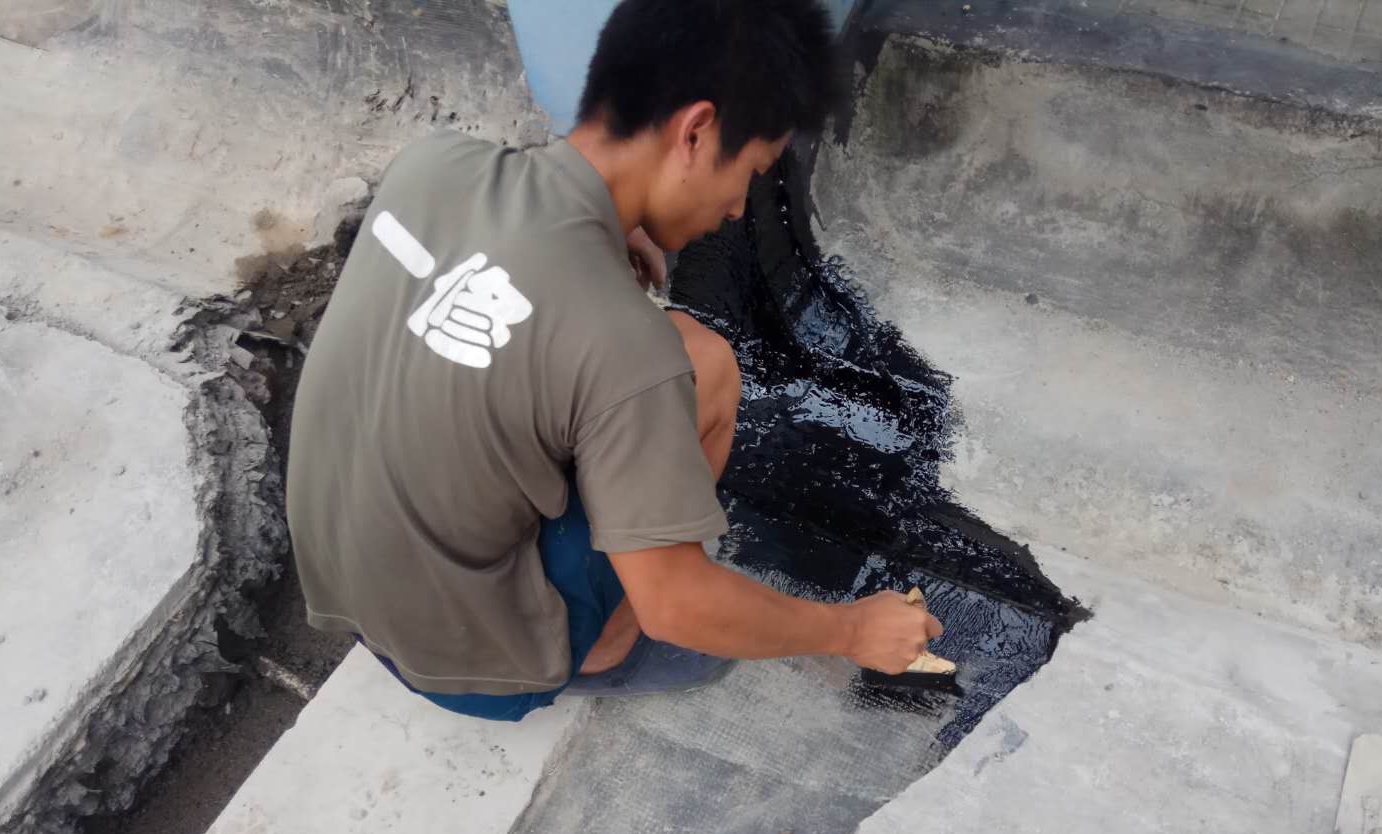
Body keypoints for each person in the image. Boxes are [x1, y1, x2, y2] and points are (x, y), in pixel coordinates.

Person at [286, 0, 943, 722]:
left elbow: (516, 252)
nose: (734, 208)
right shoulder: (628, 347)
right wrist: (851, 630)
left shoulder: (434, 163)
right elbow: (679, 607)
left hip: (349, 592)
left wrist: (603, 237)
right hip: (469, 665)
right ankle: (602, 645)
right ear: (697, 131)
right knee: (706, 367)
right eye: (750, 172)